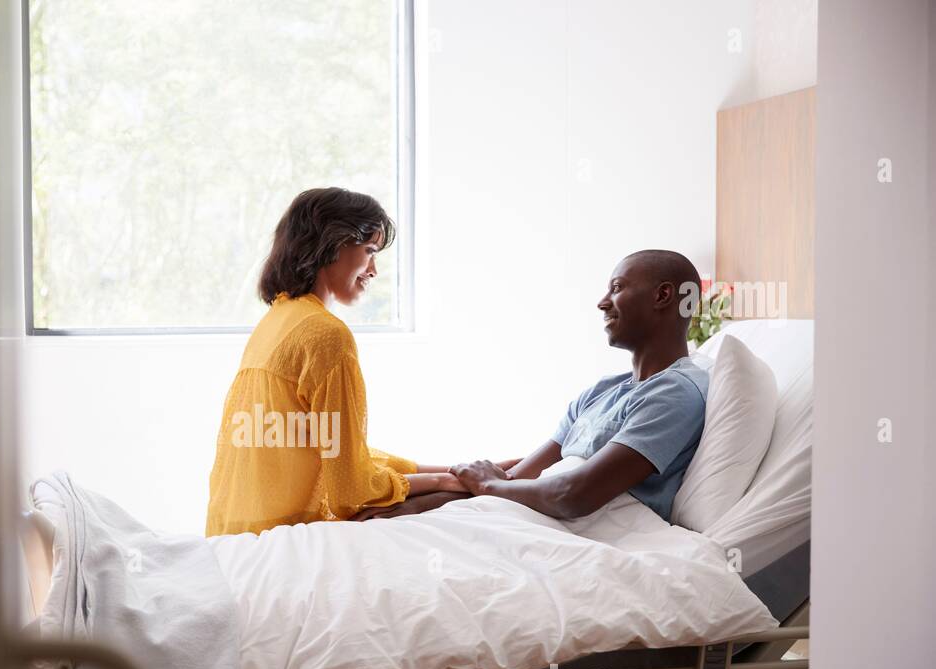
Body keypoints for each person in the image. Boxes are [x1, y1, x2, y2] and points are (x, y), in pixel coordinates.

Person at [356, 249, 709, 524]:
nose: (602, 302)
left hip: (597, 531)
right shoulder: (602, 391)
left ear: (663, 296)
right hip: (534, 516)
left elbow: (573, 494)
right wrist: (417, 508)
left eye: (616, 288)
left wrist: (491, 485)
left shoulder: (674, 393)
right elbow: (518, 478)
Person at [205, 187, 463, 536]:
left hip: (232, 536)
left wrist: (447, 470)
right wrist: (444, 483)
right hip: (282, 543)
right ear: (333, 243)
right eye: (370, 250)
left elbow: (333, 451)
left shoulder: (276, 322)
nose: (374, 270)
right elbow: (350, 491)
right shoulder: (326, 335)